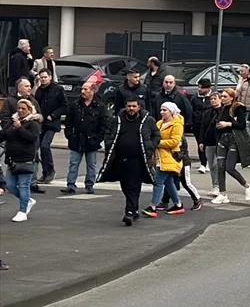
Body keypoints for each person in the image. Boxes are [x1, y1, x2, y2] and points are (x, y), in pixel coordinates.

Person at [99, 97, 159, 225]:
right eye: (129, 106)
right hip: (120, 159)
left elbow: (156, 135)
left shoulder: (148, 120)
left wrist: (151, 146)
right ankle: (134, 209)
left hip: (138, 159)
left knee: (133, 185)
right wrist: (109, 143)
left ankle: (130, 212)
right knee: (125, 185)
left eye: (133, 106)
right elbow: (109, 133)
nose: (131, 109)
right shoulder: (117, 120)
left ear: (139, 107)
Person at [209, 88, 250, 204]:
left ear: (231, 97)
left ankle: (248, 186)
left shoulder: (237, 108)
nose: (222, 98)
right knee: (220, 167)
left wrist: (228, 124)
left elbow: (242, 125)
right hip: (222, 140)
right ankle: (222, 193)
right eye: (222, 96)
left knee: (229, 167)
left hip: (233, 140)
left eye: (225, 96)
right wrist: (219, 126)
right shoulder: (223, 109)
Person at [61, 82, 108, 194]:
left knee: (91, 165)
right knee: (74, 163)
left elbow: (104, 125)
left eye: (85, 89)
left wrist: (98, 139)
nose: (82, 91)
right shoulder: (75, 105)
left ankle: (90, 185)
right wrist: (69, 135)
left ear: (93, 91)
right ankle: (71, 185)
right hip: (76, 140)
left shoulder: (100, 106)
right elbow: (68, 122)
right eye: (82, 89)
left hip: (92, 141)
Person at [143, 102, 186, 217]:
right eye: (161, 110)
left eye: (164, 110)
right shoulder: (159, 123)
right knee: (168, 182)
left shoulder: (177, 125)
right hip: (159, 157)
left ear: (171, 111)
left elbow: (175, 141)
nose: (161, 112)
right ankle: (178, 205)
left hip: (169, 157)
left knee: (158, 181)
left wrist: (157, 143)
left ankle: (153, 207)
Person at [4, 98, 41, 222]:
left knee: (24, 185)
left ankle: (22, 211)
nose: (20, 110)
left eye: (23, 109)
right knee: (10, 185)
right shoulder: (12, 121)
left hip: (26, 159)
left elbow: (32, 138)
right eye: (19, 108)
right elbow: (4, 134)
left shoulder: (33, 123)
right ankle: (28, 200)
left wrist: (20, 128)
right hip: (12, 159)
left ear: (29, 110)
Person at [33, 68, 67, 184]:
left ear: (50, 77)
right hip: (40, 123)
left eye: (45, 77)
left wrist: (53, 115)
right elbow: (35, 106)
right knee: (37, 147)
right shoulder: (39, 91)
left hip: (52, 123)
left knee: (45, 145)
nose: (43, 79)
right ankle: (44, 172)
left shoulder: (57, 89)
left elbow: (64, 106)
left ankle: (50, 170)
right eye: (41, 77)